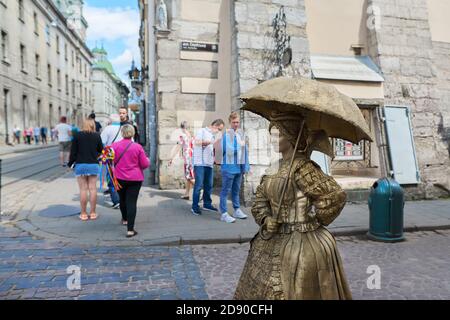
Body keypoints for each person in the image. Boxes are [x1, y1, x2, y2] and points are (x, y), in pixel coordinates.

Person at [234, 114, 352, 300]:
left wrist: (315, 218)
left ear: (291, 137)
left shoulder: (304, 168)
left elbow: (334, 195)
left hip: (303, 244)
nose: (272, 140)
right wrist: (266, 219)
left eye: (277, 135)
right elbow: (259, 200)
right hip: (272, 237)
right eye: (271, 135)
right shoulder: (274, 168)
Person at [112, 125, 150, 238]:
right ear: (133, 133)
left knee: (122, 200)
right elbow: (144, 164)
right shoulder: (137, 147)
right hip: (135, 178)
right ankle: (130, 229)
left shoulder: (115, 146)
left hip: (119, 178)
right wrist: (147, 160)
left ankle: (124, 219)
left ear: (122, 133)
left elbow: (110, 160)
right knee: (131, 202)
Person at [217, 112, 250, 223]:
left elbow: (245, 151)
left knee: (236, 190)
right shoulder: (227, 135)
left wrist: (246, 167)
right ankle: (224, 213)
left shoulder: (239, 134)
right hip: (229, 167)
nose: (236, 124)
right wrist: (240, 145)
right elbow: (229, 151)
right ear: (230, 122)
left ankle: (236, 210)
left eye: (237, 122)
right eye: (234, 122)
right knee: (225, 191)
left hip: (238, 168)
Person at [68, 118, 103, 221]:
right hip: (93, 165)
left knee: (83, 189)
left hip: (81, 165)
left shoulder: (77, 136)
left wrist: (70, 164)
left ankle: (83, 214)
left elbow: (73, 152)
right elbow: (101, 150)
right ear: (93, 125)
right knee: (93, 189)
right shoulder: (97, 135)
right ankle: (92, 213)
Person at [191, 119, 225, 216]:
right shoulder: (202, 131)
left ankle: (207, 204)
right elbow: (197, 142)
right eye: (219, 129)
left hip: (209, 163)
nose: (219, 131)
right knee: (198, 186)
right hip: (200, 163)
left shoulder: (214, 135)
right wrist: (210, 141)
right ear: (215, 126)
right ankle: (195, 207)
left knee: (209, 185)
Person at [100, 114, 122, 209]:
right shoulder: (124, 128)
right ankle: (123, 198)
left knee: (111, 177)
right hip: (123, 155)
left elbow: (101, 142)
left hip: (111, 155)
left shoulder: (107, 129)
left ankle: (116, 200)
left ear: (110, 120)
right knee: (122, 176)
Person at [169, 121, 195, 200]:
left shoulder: (183, 136)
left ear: (182, 128)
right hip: (192, 157)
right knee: (189, 176)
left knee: (190, 177)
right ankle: (187, 193)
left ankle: (201, 191)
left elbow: (178, 147)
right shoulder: (192, 136)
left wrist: (172, 157)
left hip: (187, 158)